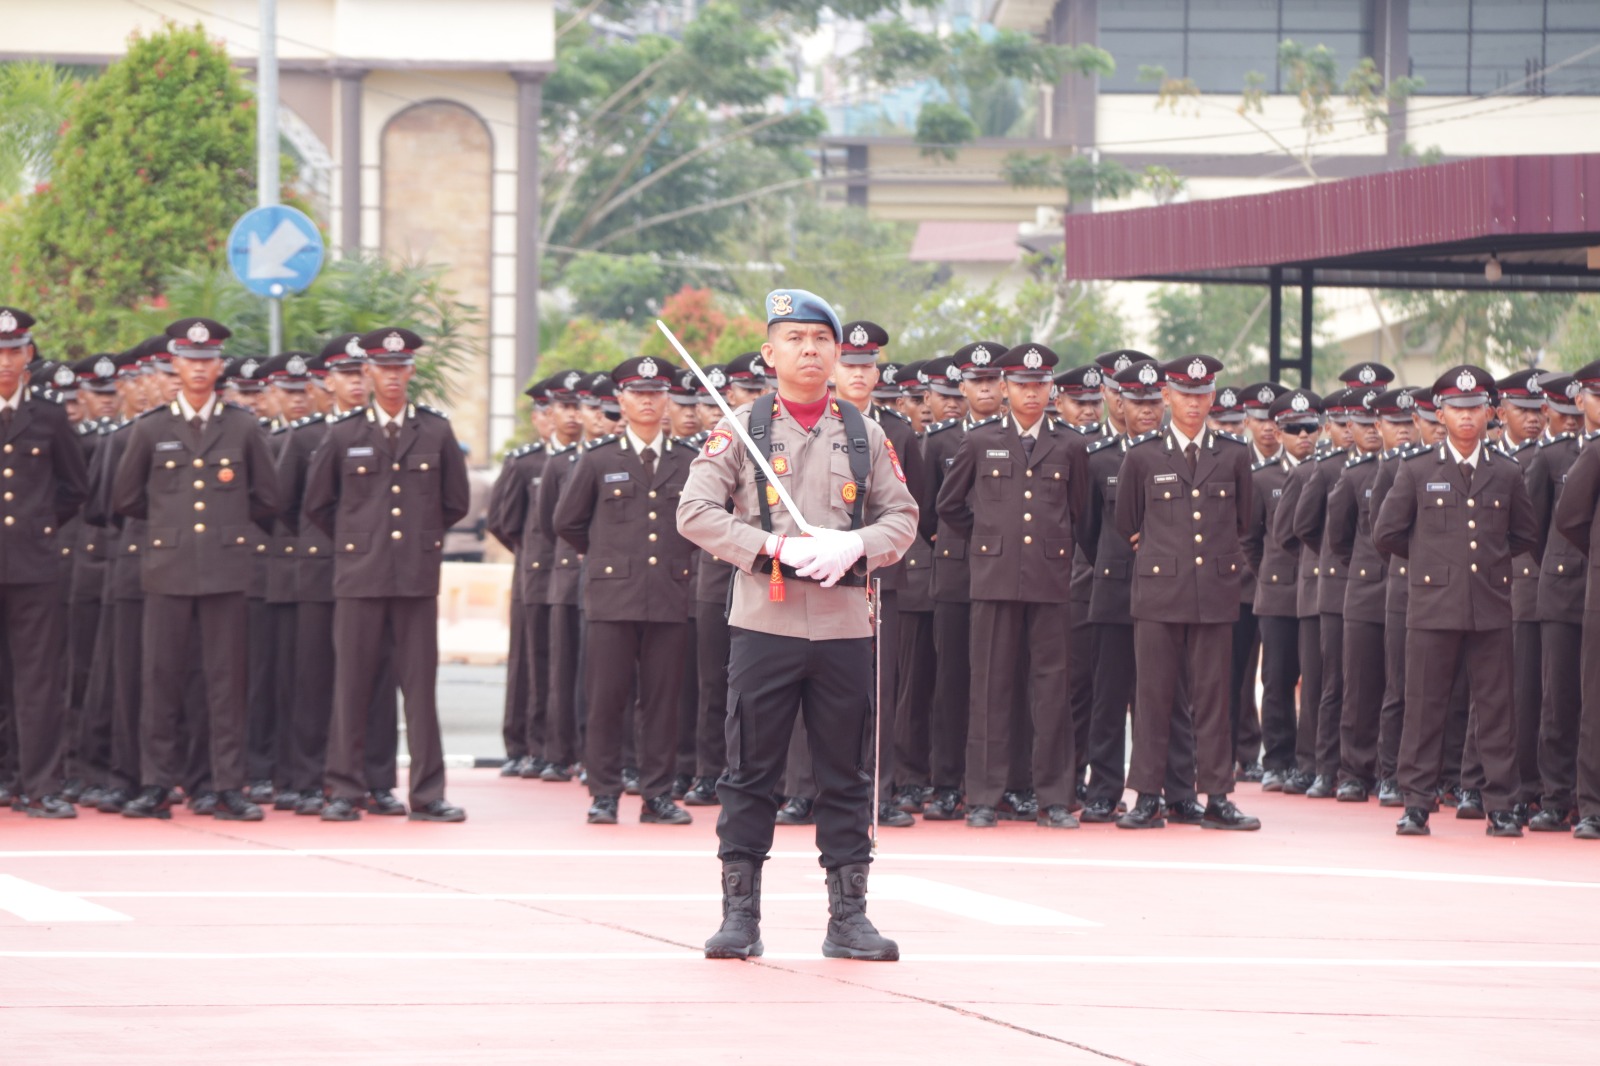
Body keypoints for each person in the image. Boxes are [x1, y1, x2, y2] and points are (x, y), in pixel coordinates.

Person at [678, 288, 917, 962]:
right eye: (794, 339)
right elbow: (694, 512)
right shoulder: (741, 431)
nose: (809, 351)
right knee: (750, 771)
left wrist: (857, 546)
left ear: (838, 353)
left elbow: (903, 517)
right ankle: (740, 915)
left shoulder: (865, 434)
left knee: (845, 774)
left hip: (845, 625)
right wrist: (772, 548)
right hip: (766, 622)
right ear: (769, 352)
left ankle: (849, 918)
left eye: (820, 340)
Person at [111, 318, 280, 821]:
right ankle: (156, 784)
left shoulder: (244, 427)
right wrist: (175, 527)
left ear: (219, 365)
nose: (200, 369)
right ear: (175, 366)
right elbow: (126, 498)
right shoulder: (151, 428)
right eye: (190, 360)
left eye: (208, 361)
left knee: (226, 683)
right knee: (160, 681)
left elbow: (268, 499)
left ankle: (227, 786)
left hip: (227, 572)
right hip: (167, 569)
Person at [302, 326, 470, 823]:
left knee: (420, 691)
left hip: (415, 579)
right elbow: (318, 504)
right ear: (368, 372)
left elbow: (454, 502)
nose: (392, 377)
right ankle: (344, 789)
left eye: (400, 368)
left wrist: (417, 540)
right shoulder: (345, 433)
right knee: (351, 687)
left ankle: (427, 792)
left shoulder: (436, 431)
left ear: (411, 372)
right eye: (383, 369)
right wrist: (359, 541)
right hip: (360, 577)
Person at [1373, 365, 1538, 838]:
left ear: (1490, 412)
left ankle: (1501, 805)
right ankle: (1418, 804)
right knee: (1425, 707)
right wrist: (1430, 563)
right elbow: (1386, 533)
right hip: (1432, 607)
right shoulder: (1418, 469)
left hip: (1489, 606)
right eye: (1456, 409)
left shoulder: (1507, 472)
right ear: (1440, 413)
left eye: (1474, 409)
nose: (1466, 418)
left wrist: (1486, 567)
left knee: (1497, 711)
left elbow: (1525, 532)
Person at [936, 342, 1089, 829]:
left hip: (1049, 580)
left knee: (1051, 689)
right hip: (994, 578)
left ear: (1050, 389)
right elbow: (949, 505)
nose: (1031, 393)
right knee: (989, 688)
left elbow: (1080, 513)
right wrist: (988, 541)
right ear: (1005, 388)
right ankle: (983, 795)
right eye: (1022, 385)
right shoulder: (981, 441)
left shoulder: (1069, 445)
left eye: (1039, 385)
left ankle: (1054, 797)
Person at [1113, 354, 1260, 831]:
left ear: (1212, 398)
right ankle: (1147, 798)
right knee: (1153, 698)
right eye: (1185, 395)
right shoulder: (1143, 456)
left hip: (1215, 593)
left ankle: (1217, 796)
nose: (1193, 404)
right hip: (1159, 593)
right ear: (1168, 397)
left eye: (1202, 395)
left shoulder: (1234, 454)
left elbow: (1244, 521)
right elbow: (1126, 522)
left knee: (1215, 699)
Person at [553, 355, 698, 827]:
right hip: (612, 598)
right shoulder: (599, 460)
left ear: (667, 399)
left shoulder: (688, 461)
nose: (649, 402)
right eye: (639, 394)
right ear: (621, 400)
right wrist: (604, 556)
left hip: (669, 594)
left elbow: (701, 521)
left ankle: (657, 794)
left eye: (657, 394)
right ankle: (605, 793)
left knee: (662, 701)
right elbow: (568, 522)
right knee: (606, 699)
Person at [0, 307, 91, 817]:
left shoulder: (50, 416)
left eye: (15, 352)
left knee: (38, 681)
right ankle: (4, 776)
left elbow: (74, 487)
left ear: (29, 355)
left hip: (35, 566)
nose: (6, 362)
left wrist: (38, 524)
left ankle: (41, 784)